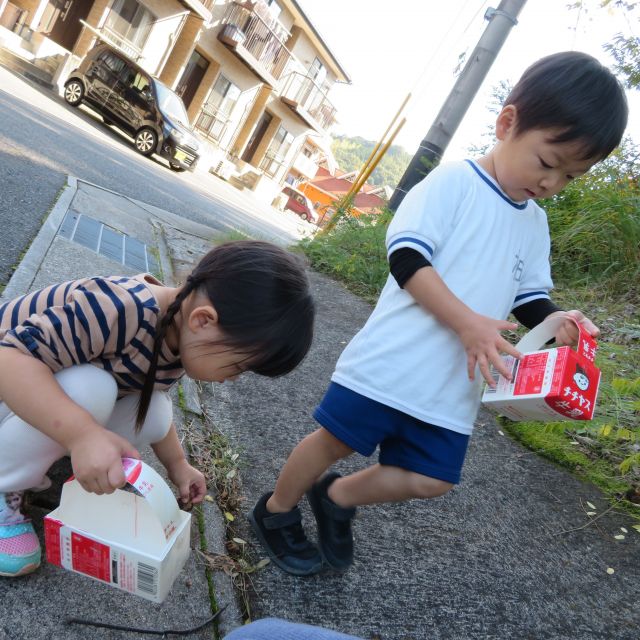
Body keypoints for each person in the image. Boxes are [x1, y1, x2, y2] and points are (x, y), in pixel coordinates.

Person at [249, 51, 629, 576]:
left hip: (454, 384)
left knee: (432, 478)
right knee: (332, 441)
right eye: (546, 163)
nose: (550, 184)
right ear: (508, 123)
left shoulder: (534, 224)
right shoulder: (454, 184)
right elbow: (406, 258)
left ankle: (337, 498)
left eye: (568, 177)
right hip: (393, 363)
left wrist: (556, 320)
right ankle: (274, 511)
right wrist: (467, 322)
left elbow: (528, 296)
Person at [0, 240, 314, 578]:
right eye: (238, 366)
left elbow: (148, 401)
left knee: (155, 411)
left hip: (26, 398)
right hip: (12, 377)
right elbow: (10, 360)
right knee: (93, 389)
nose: (233, 379)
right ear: (204, 320)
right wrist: (82, 435)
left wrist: (178, 465)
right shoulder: (119, 308)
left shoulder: (177, 335)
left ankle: (34, 456)